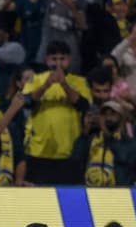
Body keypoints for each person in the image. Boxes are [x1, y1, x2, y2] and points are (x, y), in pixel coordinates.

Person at [22, 40, 91, 184]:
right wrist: (46, 85)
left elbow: (84, 106)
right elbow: (27, 103)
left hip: (70, 150)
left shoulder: (80, 82)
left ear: (69, 59)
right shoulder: (36, 79)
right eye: (54, 59)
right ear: (47, 60)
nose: (58, 63)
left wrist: (64, 84)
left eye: (62, 58)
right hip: (39, 150)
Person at [73, 101, 136, 187]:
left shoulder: (127, 141)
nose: (108, 118)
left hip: (118, 191)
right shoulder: (91, 139)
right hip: (91, 190)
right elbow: (75, 158)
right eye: (104, 114)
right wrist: (85, 132)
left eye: (112, 114)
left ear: (120, 117)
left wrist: (107, 135)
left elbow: (125, 158)